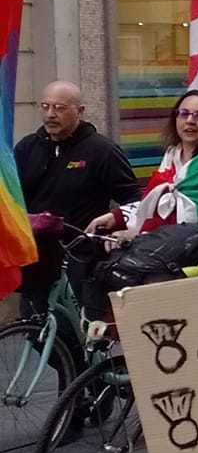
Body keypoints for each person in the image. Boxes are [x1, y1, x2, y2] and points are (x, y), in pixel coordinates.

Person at [17, 81, 140, 308]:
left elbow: (133, 199)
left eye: (60, 108)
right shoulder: (27, 148)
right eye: (45, 106)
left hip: (79, 259)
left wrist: (121, 228)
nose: (50, 114)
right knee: (33, 330)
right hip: (34, 257)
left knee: (73, 334)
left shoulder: (102, 151)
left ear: (80, 111)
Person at [89, 87, 198, 239]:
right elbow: (156, 203)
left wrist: (140, 233)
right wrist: (117, 217)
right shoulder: (172, 155)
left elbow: (194, 218)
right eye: (183, 114)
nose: (190, 120)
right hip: (165, 252)